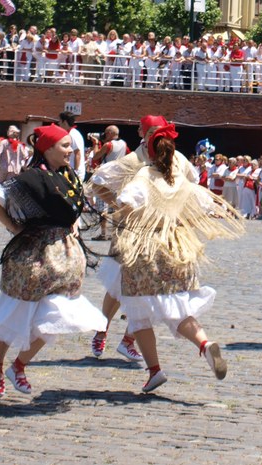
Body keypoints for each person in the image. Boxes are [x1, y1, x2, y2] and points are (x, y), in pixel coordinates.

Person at [108, 124, 243, 391]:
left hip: (146, 249)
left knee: (139, 313)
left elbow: (126, 202)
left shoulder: (146, 175)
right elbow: (205, 205)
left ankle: (155, 370)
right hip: (177, 248)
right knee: (179, 309)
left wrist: (120, 217)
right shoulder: (181, 180)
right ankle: (204, 344)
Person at [0, 124, 107, 397]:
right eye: (64, 146)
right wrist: (14, 228)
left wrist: (72, 225)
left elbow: (72, 210)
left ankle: (19, 365)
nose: (71, 150)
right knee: (16, 311)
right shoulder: (30, 179)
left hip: (64, 257)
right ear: (47, 148)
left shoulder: (69, 176)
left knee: (59, 315)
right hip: (33, 255)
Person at [84, 115, 195, 362]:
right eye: (152, 131)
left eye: (161, 132)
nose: (157, 136)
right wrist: (119, 206)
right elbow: (98, 182)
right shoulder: (134, 160)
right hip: (132, 232)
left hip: (161, 233)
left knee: (152, 288)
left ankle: (129, 339)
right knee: (117, 285)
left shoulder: (177, 159)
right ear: (142, 133)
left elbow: (192, 184)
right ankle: (101, 330)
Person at [58, 111, 85, 181]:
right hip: (71, 171)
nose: (58, 123)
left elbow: (78, 153)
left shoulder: (73, 134)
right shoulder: (71, 133)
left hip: (75, 173)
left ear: (65, 122)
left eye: (60, 121)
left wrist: (75, 171)